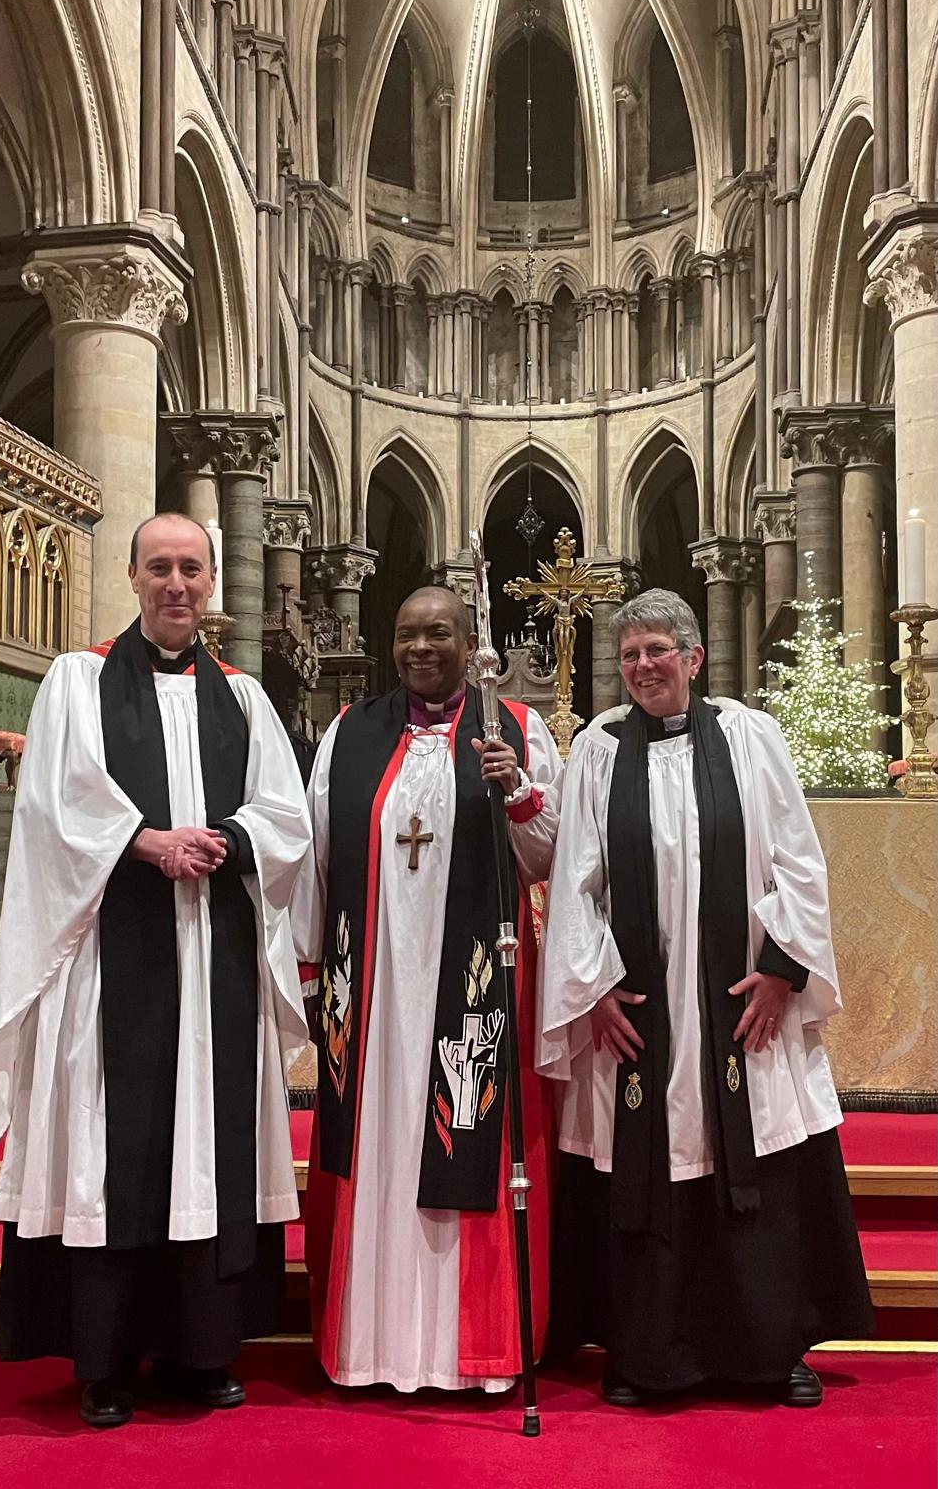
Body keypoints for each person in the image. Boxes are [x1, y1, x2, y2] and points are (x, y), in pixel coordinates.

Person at [0, 513, 312, 1428]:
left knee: (206, 1139)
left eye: (192, 569)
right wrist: (144, 842)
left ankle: (202, 1351)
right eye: (159, 567)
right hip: (109, 955)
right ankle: (107, 1360)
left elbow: (287, 816)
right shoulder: (78, 680)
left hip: (214, 961)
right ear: (131, 577)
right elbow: (55, 801)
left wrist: (231, 838)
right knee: (113, 1142)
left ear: (211, 584)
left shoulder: (241, 698)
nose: (177, 584)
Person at [538, 588, 873, 1408]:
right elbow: (576, 879)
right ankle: (647, 1355)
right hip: (641, 1009)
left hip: (739, 1003)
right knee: (649, 1156)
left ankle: (770, 1348)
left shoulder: (751, 737)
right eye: (629, 656)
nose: (644, 667)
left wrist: (783, 970)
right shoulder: (598, 748)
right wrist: (595, 989)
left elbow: (797, 858)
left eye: (658, 650)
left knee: (753, 1148)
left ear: (693, 657)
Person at [292, 586, 563, 1393]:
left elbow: (552, 857)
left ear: (468, 639)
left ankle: (468, 1351)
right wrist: (312, 974)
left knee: (463, 1131)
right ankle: (369, 1344)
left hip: (469, 991)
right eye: (407, 634)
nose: (421, 648)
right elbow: (315, 859)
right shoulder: (349, 734)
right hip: (370, 995)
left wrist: (516, 789)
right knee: (373, 1140)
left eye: (438, 633)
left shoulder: (515, 727)